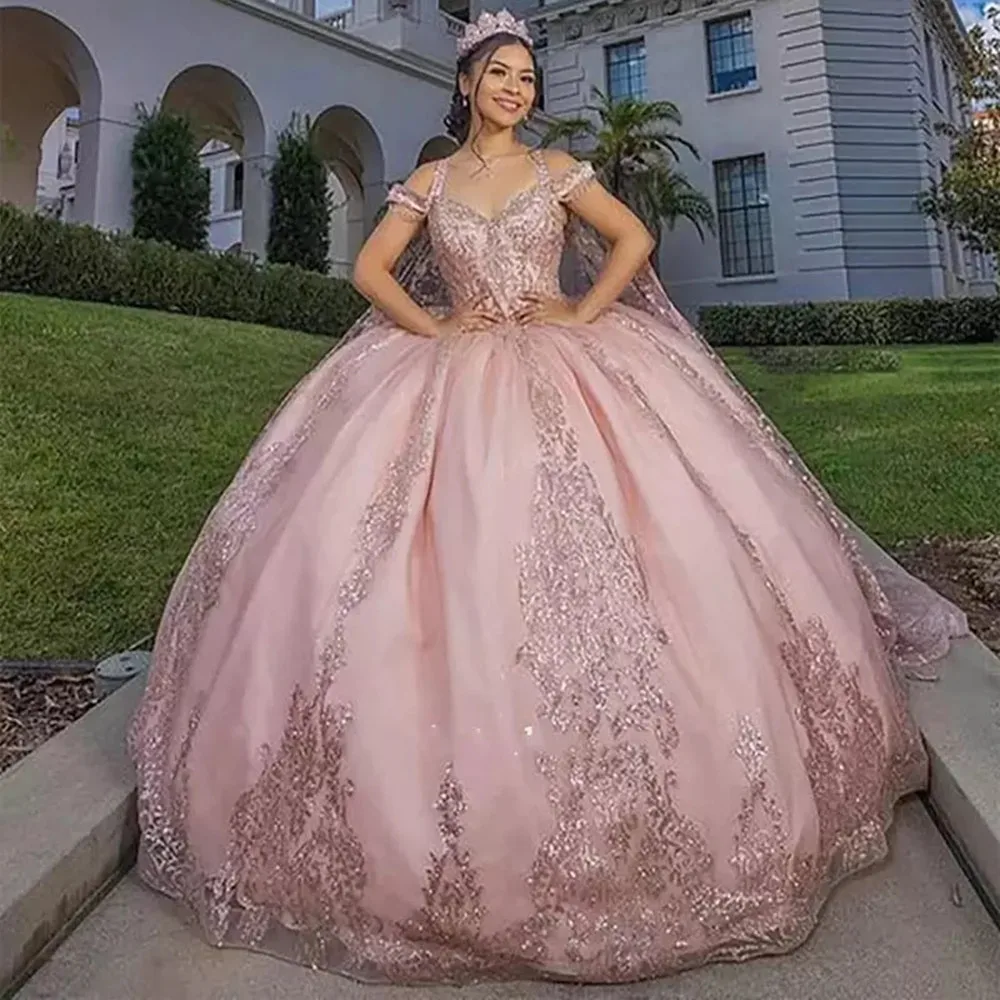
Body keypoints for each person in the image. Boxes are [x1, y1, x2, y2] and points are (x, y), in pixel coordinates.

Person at [128, 8, 967, 986]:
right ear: (469, 84)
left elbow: (631, 237)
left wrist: (575, 306)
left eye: (528, 75)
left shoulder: (557, 170)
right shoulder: (432, 180)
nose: (517, 88)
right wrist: (434, 326)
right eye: (500, 74)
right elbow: (367, 268)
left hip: (570, 366)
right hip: (449, 368)